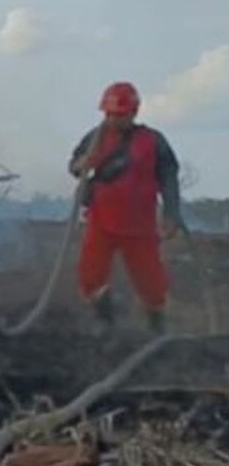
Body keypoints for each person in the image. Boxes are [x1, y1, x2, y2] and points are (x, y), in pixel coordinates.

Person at [68, 81, 183, 334]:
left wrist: (172, 214)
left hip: (139, 226)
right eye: (108, 114)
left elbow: (169, 177)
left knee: (151, 282)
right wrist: (81, 164)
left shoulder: (153, 141)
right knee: (91, 275)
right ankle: (104, 324)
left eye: (118, 115)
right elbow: (74, 165)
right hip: (101, 220)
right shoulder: (95, 137)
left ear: (133, 113)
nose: (112, 119)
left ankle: (157, 329)